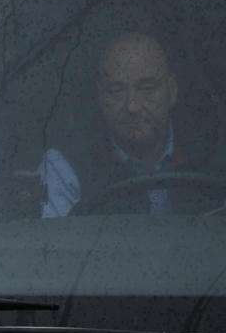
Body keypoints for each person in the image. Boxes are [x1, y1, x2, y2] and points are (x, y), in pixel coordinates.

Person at [40, 28, 216, 217]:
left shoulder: (214, 152)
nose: (132, 106)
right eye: (116, 91)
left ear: (172, 91)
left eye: (147, 88)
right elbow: (53, 236)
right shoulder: (65, 165)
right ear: (101, 97)